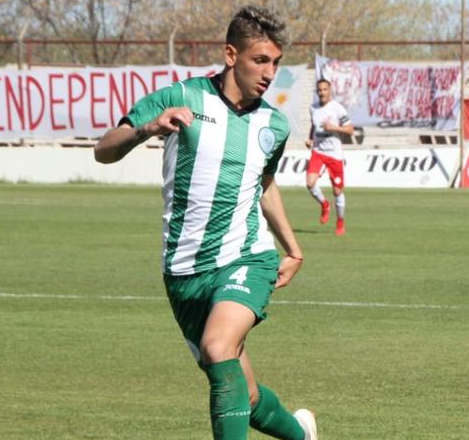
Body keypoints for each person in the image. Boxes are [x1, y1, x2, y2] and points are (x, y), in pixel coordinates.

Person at [94, 6, 317, 440]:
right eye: (260, 60)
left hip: (246, 256)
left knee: (218, 348)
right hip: (183, 272)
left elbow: (264, 183)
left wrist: (292, 247)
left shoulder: (273, 123)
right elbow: (104, 150)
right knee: (244, 395)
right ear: (231, 54)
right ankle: (302, 436)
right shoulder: (181, 97)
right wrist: (149, 128)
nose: (270, 72)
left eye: (276, 62)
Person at [305, 78, 354, 236]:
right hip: (318, 152)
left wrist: (333, 127)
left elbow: (350, 130)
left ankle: (340, 221)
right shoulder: (313, 108)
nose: (322, 92)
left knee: (337, 191)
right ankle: (325, 204)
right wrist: (310, 138)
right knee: (310, 183)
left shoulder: (338, 109)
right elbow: (313, 125)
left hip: (334, 154)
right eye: (319, 90)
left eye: (325, 89)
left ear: (329, 90)